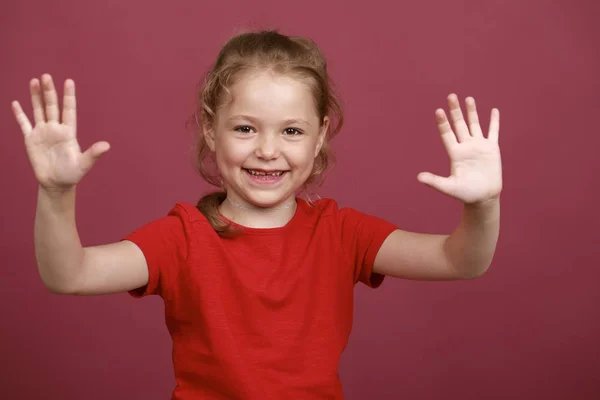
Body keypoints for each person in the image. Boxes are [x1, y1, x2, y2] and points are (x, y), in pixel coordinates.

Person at [11, 30, 502, 399]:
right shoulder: (181, 238)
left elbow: (461, 261)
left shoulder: (343, 233)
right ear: (210, 129)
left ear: (320, 136)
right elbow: (68, 274)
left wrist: (483, 205)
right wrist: (55, 194)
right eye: (245, 128)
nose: (267, 150)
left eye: (291, 131)